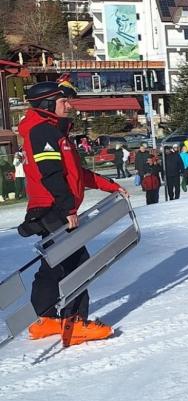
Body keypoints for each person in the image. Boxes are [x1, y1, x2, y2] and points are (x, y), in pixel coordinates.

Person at [17, 76, 127, 347]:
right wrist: (67, 208)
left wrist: (109, 185)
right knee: (79, 265)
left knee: (53, 266)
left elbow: (76, 174)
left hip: (54, 207)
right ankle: (75, 321)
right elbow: (51, 174)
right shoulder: (43, 131)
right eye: (63, 101)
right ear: (47, 104)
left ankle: (43, 319)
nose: (69, 104)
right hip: (52, 208)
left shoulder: (55, 132)